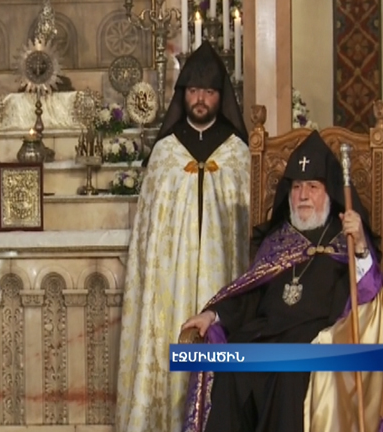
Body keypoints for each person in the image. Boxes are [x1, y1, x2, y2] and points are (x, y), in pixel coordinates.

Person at [180, 130, 383, 432]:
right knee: (231, 367)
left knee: (289, 375)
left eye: (313, 187)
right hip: (264, 336)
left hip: (315, 341)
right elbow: (249, 294)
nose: (302, 195)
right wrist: (214, 314)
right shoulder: (278, 241)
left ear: (329, 194)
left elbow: (368, 296)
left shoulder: (347, 242)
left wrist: (362, 247)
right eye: (297, 187)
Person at [116, 41, 251, 432]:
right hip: (168, 288)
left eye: (209, 92)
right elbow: (147, 239)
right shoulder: (165, 154)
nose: (200, 98)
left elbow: (244, 234)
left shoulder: (238, 154)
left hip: (221, 282)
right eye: (193, 90)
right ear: (183, 94)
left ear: (220, 97)